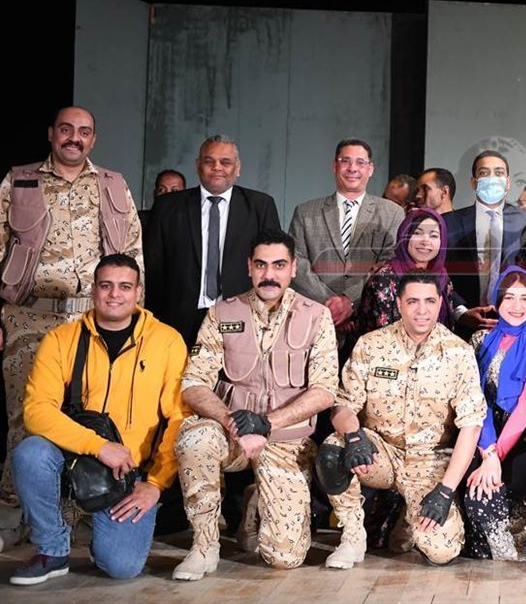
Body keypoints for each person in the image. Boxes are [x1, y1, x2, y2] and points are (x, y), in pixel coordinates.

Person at [0, 106, 143, 541]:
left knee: (88, 416)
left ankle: (75, 510)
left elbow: (133, 253)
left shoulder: (112, 184)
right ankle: (14, 510)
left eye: (83, 132)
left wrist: (135, 317)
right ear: (51, 134)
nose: (74, 138)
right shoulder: (19, 181)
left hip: (93, 319)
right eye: (66, 129)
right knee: (26, 416)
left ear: (93, 140)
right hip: (30, 316)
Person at [10, 253, 185, 584]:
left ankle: (101, 537)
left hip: (128, 472)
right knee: (30, 453)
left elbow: (178, 418)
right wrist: (99, 446)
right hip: (71, 460)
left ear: (138, 292)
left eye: (124, 287)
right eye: (106, 285)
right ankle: (52, 549)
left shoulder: (167, 341)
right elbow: (36, 411)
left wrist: (155, 485)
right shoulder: (61, 340)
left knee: (121, 567)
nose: (114, 294)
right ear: (93, 290)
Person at [171, 229, 337, 579]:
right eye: (261, 265)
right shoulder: (223, 312)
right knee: (195, 439)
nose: (269, 274)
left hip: (285, 440)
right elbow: (193, 383)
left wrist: (267, 423)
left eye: (279, 265)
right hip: (233, 434)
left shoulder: (316, 316)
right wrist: (232, 421)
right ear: (249, 266)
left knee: (284, 557)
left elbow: (325, 390)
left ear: (293, 268)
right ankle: (204, 546)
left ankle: (256, 497)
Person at [321, 272, 486, 569]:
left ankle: (409, 518)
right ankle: (353, 535)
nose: (422, 310)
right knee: (335, 450)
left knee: (441, 551)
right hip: (379, 452)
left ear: (440, 304)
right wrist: (354, 436)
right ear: (399, 304)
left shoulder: (459, 353)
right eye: (412, 301)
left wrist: (446, 490)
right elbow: (342, 405)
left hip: (429, 460)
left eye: (429, 301)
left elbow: (471, 426)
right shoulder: (371, 345)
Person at [144, 134, 281, 346]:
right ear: (198, 165)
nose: (217, 167)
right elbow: (153, 269)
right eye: (209, 161)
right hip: (177, 321)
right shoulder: (167, 207)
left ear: (238, 168)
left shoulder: (260, 206)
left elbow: (274, 265)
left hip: (242, 317)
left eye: (225, 162)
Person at [462, 266, 526, 560]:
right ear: (497, 302)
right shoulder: (480, 340)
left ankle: (523, 538)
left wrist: (495, 457)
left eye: (525, 298)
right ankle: (523, 533)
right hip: (483, 435)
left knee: (484, 491)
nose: (517, 306)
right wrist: (487, 452)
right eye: (509, 297)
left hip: (525, 440)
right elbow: (476, 400)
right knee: (474, 493)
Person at [288, 139, 405, 338]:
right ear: (334, 166)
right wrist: (330, 305)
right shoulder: (305, 212)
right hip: (315, 320)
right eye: (345, 161)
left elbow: (390, 263)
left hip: (372, 322)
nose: (352, 168)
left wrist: (350, 301)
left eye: (360, 162)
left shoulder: (392, 213)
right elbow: (295, 262)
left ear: (370, 169)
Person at [443, 151, 526, 327]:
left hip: (514, 321)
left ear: (507, 182)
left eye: (499, 173)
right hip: (462, 322)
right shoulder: (448, 222)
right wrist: (461, 312)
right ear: (473, 182)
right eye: (484, 173)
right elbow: (439, 272)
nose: (492, 179)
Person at [357, 208, 476, 336]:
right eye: (418, 233)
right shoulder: (384, 279)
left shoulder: (442, 277)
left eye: (434, 235)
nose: (425, 241)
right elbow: (380, 336)